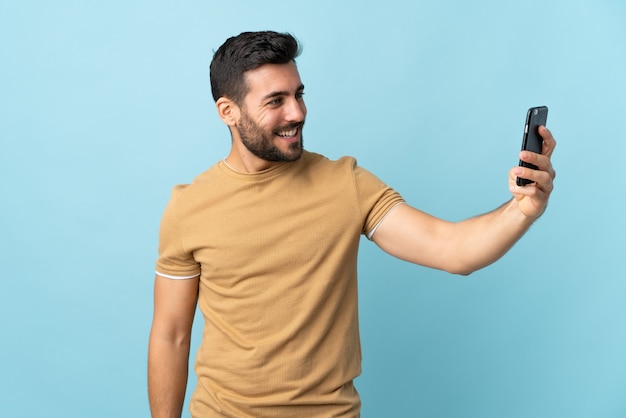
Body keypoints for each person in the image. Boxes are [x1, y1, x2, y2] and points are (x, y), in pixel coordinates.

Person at [147, 31, 556, 418]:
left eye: (299, 94)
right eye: (276, 101)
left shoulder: (345, 184)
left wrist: (522, 210)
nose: (297, 112)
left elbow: (453, 250)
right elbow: (170, 335)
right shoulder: (188, 207)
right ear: (228, 111)